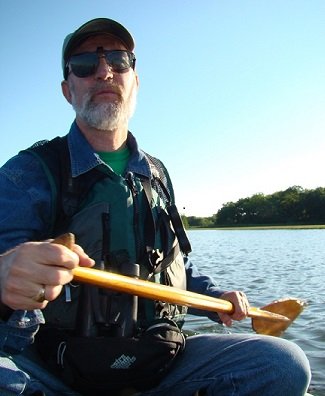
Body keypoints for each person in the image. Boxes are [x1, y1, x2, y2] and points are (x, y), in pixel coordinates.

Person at [0, 17, 311, 396]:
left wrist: (217, 299)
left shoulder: (157, 173)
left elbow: (173, 263)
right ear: (68, 90)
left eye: (119, 61)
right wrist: (6, 274)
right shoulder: (27, 172)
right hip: (55, 368)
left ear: (135, 82)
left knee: (282, 363)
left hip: (157, 360)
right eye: (85, 65)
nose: (104, 72)